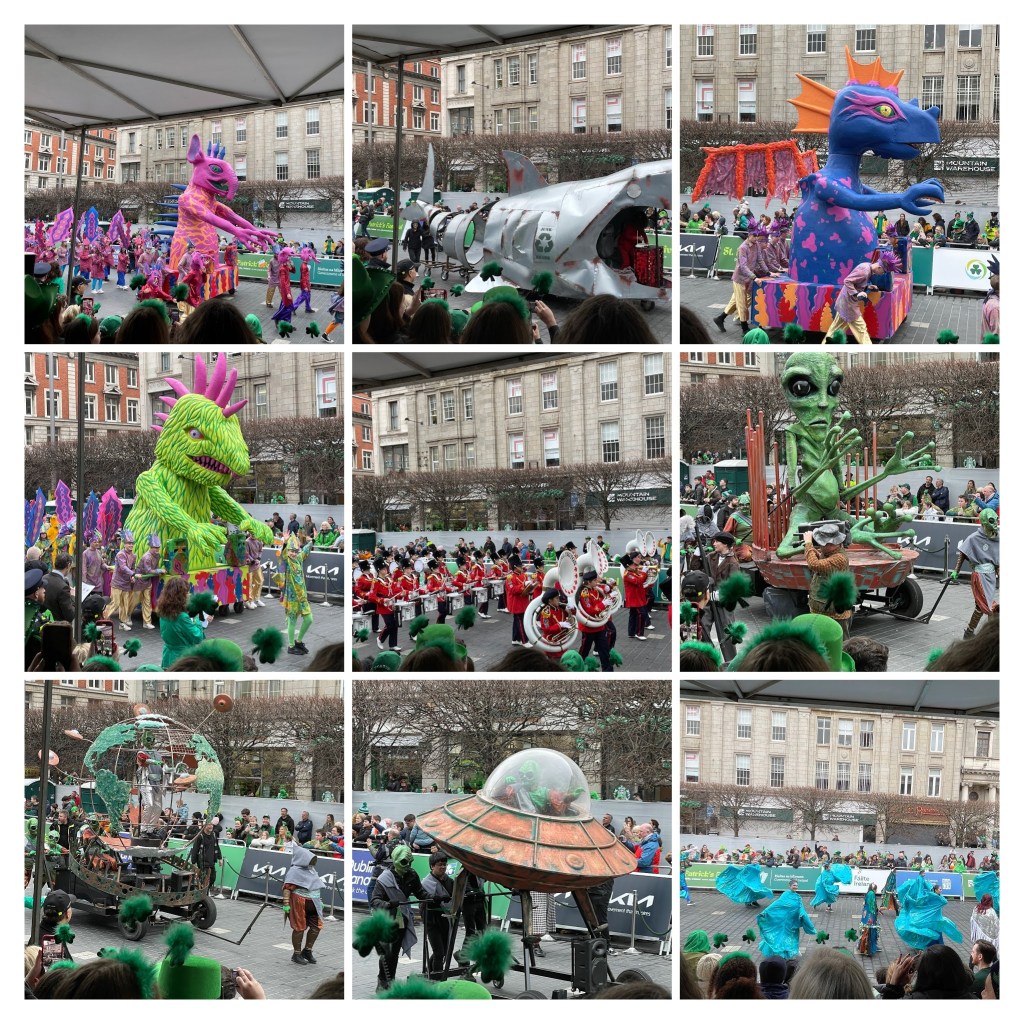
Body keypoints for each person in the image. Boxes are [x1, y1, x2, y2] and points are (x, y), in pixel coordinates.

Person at [368, 844, 429, 991]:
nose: (407, 865)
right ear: (395, 860)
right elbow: (374, 901)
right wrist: (388, 904)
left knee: (394, 952)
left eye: (410, 862)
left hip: (402, 918)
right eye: (404, 862)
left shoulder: (412, 875)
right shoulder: (384, 878)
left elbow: (421, 893)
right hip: (386, 919)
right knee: (386, 952)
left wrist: (436, 898)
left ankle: (391, 979)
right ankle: (382, 981)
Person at [826, 253, 899, 345]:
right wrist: (857, 293)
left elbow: (858, 282)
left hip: (844, 302)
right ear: (879, 267)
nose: (882, 274)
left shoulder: (867, 266)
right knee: (861, 329)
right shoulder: (864, 272)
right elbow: (847, 281)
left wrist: (868, 286)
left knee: (834, 330)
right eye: (883, 272)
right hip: (849, 304)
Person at [950, 508, 999, 638]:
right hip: (980, 576)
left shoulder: (997, 538)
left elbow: (997, 560)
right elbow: (963, 553)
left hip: (991, 576)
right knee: (987, 606)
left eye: (996, 520)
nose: (995, 524)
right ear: (983, 522)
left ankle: (969, 631)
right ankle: (991, 635)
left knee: (980, 606)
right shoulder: (974, 538)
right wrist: (956, 571)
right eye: (991, 521)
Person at [804, 523, 853, 638]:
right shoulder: (829, 553)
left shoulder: (839, 558)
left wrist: (808, 544)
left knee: (840, 643)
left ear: (832, 544)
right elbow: (820, 559)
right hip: (824, 608)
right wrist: (811, 549)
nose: (820, 546)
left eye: (822, 543)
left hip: (836, 613)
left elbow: (814, 564)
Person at [283, 843, 326, 965]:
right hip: (300, 902)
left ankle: (307, 951)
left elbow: (315, 886)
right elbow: (287, 887)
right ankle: (296, 954)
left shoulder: (312, 870)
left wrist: (320, 901)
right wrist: (286, 903)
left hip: (314, 902)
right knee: (299, 927)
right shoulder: (294, 871)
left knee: (316, 927)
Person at [757, 880, 816, 959]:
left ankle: (794, 950)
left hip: (793, 921)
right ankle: (779, 952)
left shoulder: (798, 897)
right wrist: (765, 912)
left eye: (796, 885)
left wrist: (803, 916)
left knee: (793, 936)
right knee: (781, 935)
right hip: (783, 920)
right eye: (794, 885)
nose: (795, 887)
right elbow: (777, 904)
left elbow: (801, 908)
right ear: (790, 886)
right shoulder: (785, 895)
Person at [156, 577, 206, 669]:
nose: (189, 594)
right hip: (182, 657)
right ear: (180, 595)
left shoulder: (163, 610)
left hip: (168, 655)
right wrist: (196, 617)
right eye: (186, 592)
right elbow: (198, 637)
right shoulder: (181, 617)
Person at [421, 851, 455, 975]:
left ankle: (430, 973)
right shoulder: (425, 883)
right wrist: (434, 901)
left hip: (446, 920)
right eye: (440, 865)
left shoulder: (449, 881)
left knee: (443, 952)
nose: (443, 867)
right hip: (432, 922)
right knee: (439, 952)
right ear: (432, 866)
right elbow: (423, 904)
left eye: (444, 864)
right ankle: (438, 980)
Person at [282, 531, 314, 655]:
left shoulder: (299, 558)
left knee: (309, 619)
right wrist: (285, 543)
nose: (293, 553)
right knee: (292, 621)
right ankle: (291, 646)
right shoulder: (287, 561)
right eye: (291, 551)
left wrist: (313, 540)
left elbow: (305, 550)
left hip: (302, 597)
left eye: (295, 551)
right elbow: (283, 556)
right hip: (291, 598)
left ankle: (299, 641)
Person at [41, 553, 76, 624]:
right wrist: (73, 596)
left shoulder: (43, 578)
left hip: (43, 623)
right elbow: (70, 615)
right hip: (58, 627)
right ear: (68, 565)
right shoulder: (63, 587)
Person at [190, 820, 222, 886]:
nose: (211, 826)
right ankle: (204, 893)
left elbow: (217, 846)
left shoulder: (213, 835)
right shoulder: (200, 836)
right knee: (204, 880)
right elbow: (195, 850)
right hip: (202, 863)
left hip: (211, 862)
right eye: (209, 825)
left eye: (212, 825)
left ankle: (206, 892)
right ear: (204, 826)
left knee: (212, 878)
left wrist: (220, 858)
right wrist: (193, 862)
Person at [858, 882, 879, 955]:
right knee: (871, 932)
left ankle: (863, 946)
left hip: (866, 914)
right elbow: (872, 905)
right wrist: (874, 914)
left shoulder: (868, 893)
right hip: (870, 916)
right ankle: (869, 948)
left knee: (865, 931)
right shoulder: (871, 894)